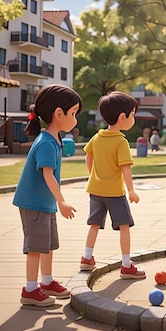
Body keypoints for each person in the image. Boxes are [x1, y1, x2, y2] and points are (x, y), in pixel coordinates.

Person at [12, 84, 82, 306]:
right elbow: (47, 175)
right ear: (58, 114)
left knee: (48, 244)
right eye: (73, 113)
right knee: (35, 247)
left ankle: (47, 281)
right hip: (35, 203)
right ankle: (30, 290)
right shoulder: (45, 143)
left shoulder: (53, 140)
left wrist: (56, 201)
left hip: (45, 203)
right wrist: (62, 201)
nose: (75, 119)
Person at [80, 91, 145, 280]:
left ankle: (87, 257)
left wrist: (92, 175)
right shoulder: (121, 141)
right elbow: (126, 168)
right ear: (123, 117)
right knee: (124, 226)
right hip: (115, 194)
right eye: (132, 114)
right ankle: (126, 266)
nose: (133, 118)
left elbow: (88, 155)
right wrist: (131, 190)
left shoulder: (97, 137)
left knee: (94, 224)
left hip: (95, 190)